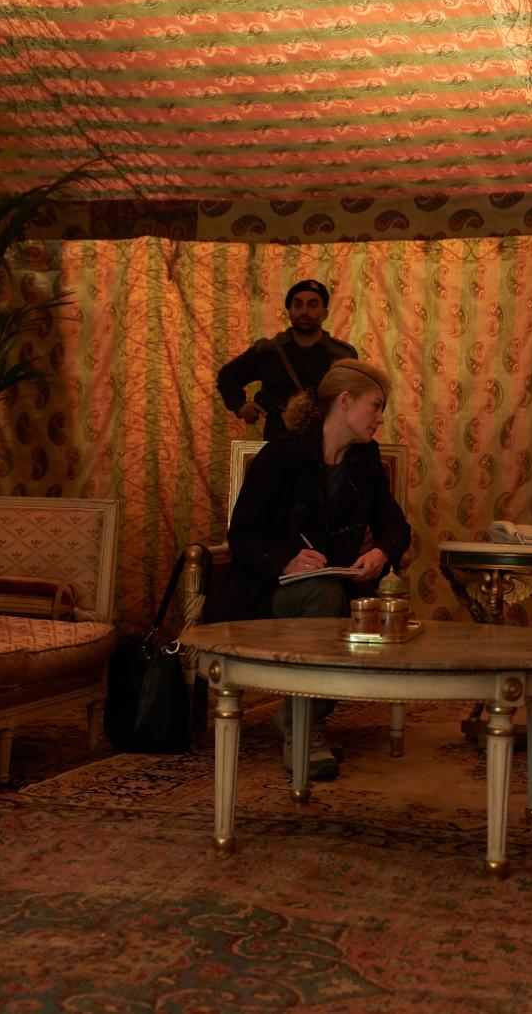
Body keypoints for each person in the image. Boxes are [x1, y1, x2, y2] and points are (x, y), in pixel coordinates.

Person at [215, 358, 412, 779]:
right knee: (326, 597)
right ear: (345, 401)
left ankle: (296, 718)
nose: (380, 418)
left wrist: (381, 553)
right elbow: (242, 535)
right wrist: (285, 560)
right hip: (265, 595)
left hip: (336, 593)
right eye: (376, 406)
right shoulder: (280, 455)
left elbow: (396, 527)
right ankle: (304, 732)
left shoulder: (365, 459)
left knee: (342, 601)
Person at [217, 279, 359, 441]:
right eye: (297, 305)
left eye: (312, 305)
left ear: (325, 313)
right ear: (289, 312)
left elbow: (357, 397)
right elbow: (227, 377)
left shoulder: (342, 356)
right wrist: (240, 406)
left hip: (328, 442)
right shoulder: (269, 351)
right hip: (278, 441)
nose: (304, 311)